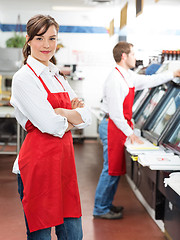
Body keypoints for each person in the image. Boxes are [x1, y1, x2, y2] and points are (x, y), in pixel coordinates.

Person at [10, 14, 91, 240]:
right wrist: (72, 117)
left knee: (73, 234)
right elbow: (49, 125)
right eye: (39, 38)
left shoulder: (57, 76)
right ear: (28, 40)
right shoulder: (24, 78)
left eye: (52, 39)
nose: (46, 45)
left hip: (65, 164)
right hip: (37, 166)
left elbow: (88, 117)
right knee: (41, 235)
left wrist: (63, 113)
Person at [93, 41, 180, 219]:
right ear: (124, 56)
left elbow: (150, 80)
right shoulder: (114, 79)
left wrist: (173, 73)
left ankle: (106, 204)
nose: (135, 57)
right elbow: (116, 114)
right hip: (112, 126)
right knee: (110, 170)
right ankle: (100, 208)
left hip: (117, 127)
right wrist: (130, 134)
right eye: (133, 54)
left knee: (114, 170)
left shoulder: (127, 76)